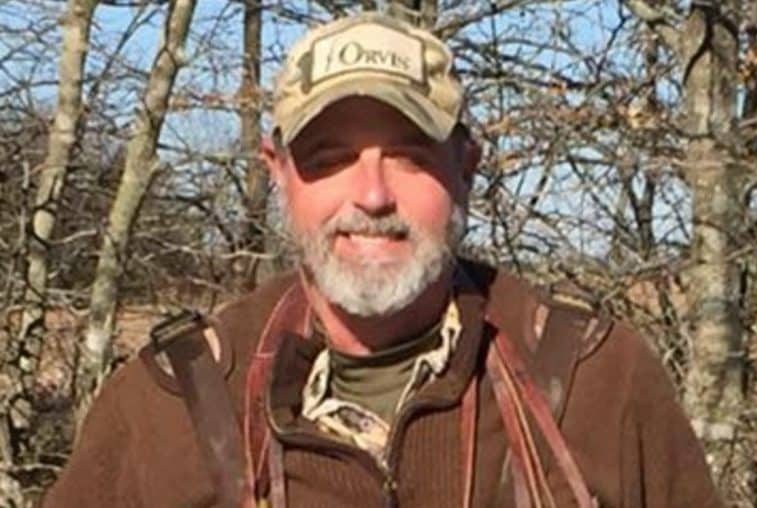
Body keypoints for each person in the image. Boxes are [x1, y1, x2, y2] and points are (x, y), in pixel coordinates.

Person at [43, 11, 722, 508]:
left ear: (466, 167)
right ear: (278, 173)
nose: (371, 196)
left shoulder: (598, 381)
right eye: (331, 158)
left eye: (408, 156)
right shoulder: (168, 407)